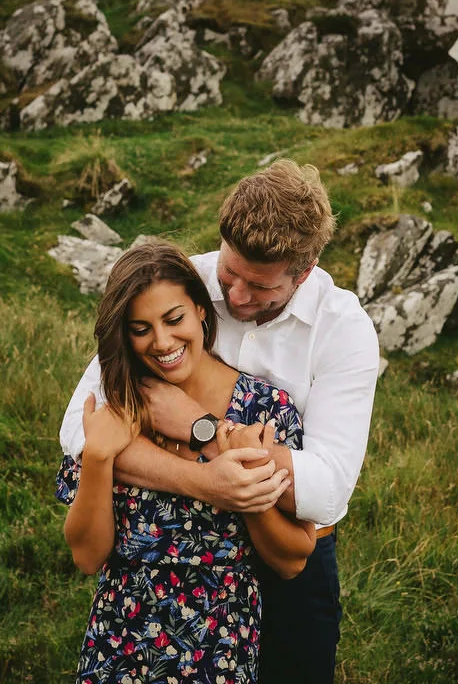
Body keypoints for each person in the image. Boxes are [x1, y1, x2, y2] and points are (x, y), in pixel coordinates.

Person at [60, 160, 381, 684]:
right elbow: (80, 431)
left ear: (305, 271)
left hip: (281, 554)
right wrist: (207, 479)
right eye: (230, 275)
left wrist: (206, 429)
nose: (234, 297)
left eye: (259, 288)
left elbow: (325, 492)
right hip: (144, 588)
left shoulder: (343, 330)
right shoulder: (180, 287)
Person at [58, 239, 316, 683]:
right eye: (141, 329)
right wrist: (99, 457)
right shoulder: (118, 402)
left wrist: (241, 488)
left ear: (201, 309)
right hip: (118, 646)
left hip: (219, 650)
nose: (162, 342)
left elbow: (293, 559)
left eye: (173, 318)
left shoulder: (264, 408)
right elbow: (86, 556)